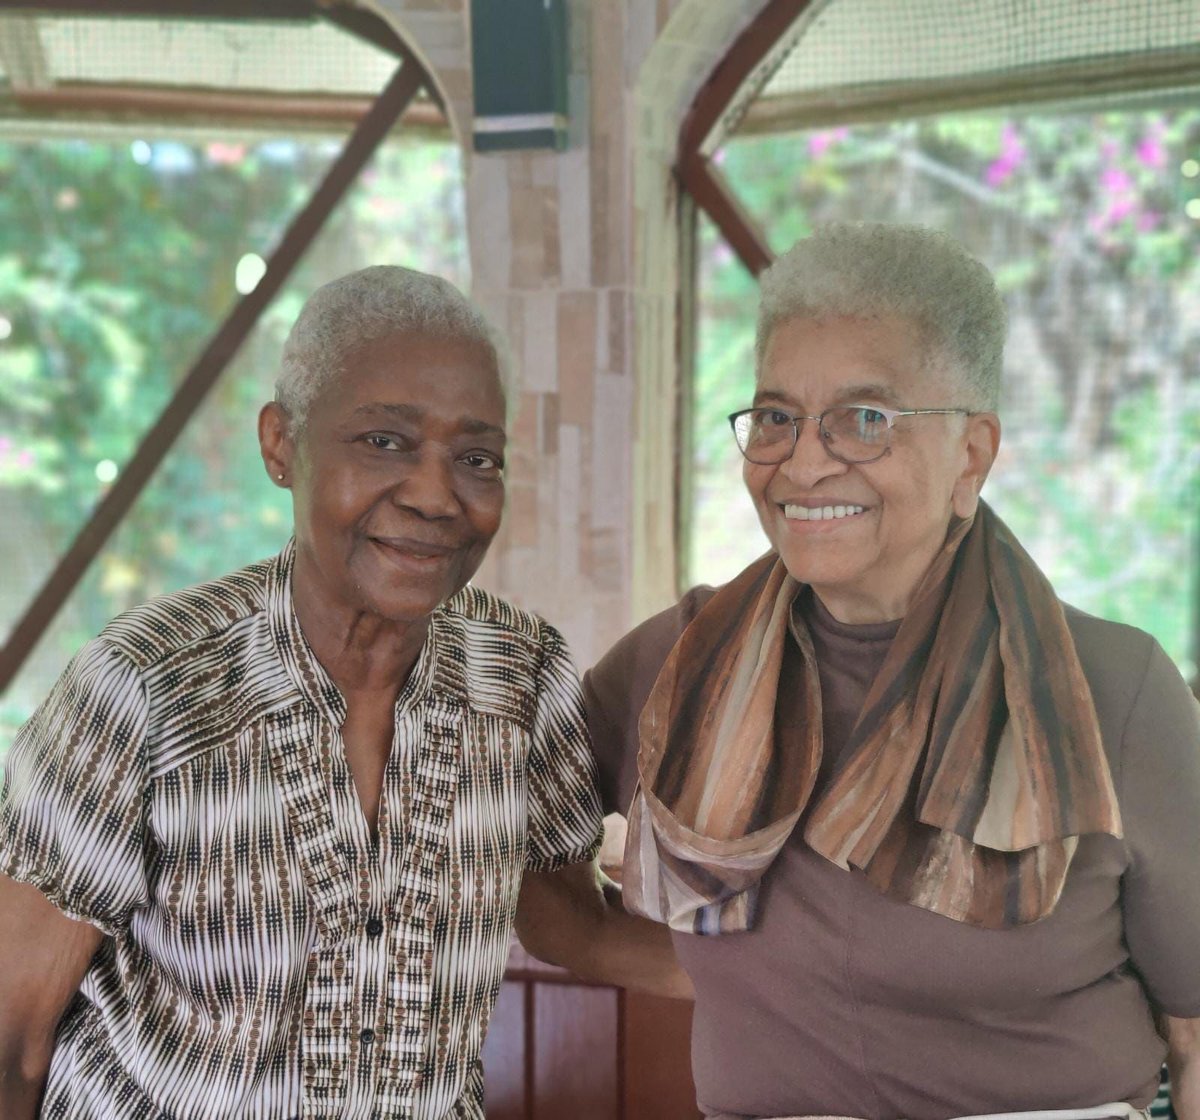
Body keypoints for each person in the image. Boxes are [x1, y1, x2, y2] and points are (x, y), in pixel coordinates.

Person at [0, 265, 682, 1120]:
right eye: (384, 442)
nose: (437, 496)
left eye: (477, 459)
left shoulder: (520, 680)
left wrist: (815, 980)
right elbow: (12, 1043)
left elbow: (564, 920)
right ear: (282, 444)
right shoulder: (144, 691)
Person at [584, 223, 1200, 1120]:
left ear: (972, 455)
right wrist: (712, 978)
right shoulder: (676, 665)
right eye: (776, 417)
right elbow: (504, 828)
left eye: (865, 419)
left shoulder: (1114, 691)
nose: (803, 460)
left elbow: (1195, 1032)